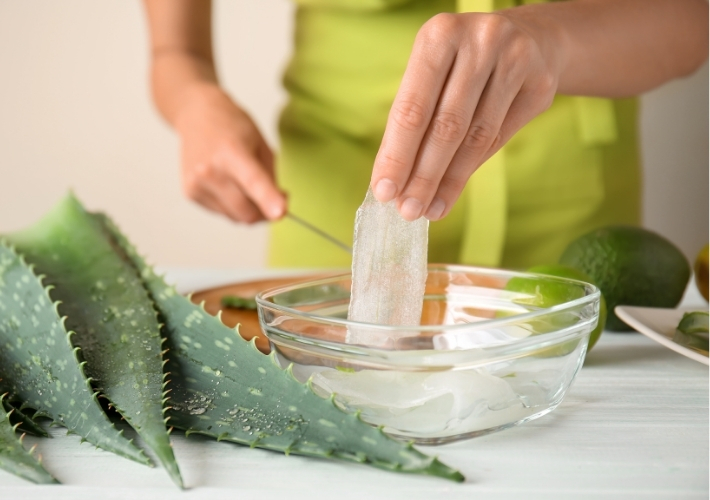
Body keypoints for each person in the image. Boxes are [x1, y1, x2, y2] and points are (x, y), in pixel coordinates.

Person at [143, 0, 708, 269]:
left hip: (573, 240)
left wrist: (552, 40)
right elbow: (177, 50)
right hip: (329, 231)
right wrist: (195, 101)